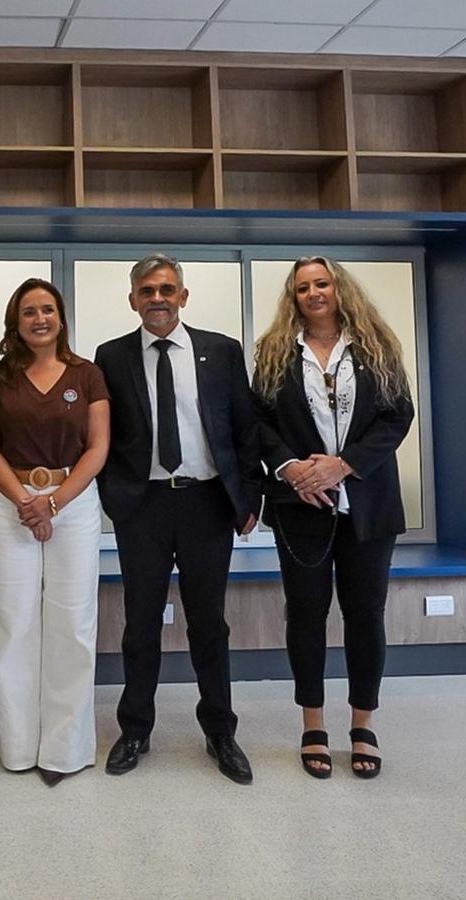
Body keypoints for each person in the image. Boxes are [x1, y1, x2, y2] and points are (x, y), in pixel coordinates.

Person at [95, 252, 261, 785]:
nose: (158, 299)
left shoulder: (221, 351)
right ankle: (136, 728)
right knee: (140, 624)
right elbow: (102, 435)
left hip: (207, 503)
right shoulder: (111, 356)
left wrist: (249, 497)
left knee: (208, 623)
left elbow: (244, 428)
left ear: (183, 296)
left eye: (167, 289)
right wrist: (110, 495)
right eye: (147, 291)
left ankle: (220, 730)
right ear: (133, 301)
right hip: (141, 505)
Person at [252, 256, 413, 780]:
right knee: (306, 615)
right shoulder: (275, 353)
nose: (314, 293)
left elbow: (398, 416)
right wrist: (294, 469)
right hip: (301, 508)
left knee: (366, 616)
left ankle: (363, 725)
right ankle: (313, 724)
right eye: (303, 287)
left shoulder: (376, 346)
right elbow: (259, 423)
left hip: (368, 506)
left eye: (322, 283)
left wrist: (343, 465)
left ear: (339, 288)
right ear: (293, 297)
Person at [0, 278, 109, 785]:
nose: (39, 319)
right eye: (28, 311)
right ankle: (18, 747)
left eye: (47, 310)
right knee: (15, 622)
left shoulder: (87, 375)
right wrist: (26, 502)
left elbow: (97, 447)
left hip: (72, 504)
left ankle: (66, 749)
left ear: (60, 317)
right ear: (16, 321)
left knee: (73, 625)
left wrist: (52, 501)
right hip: (10, 505)